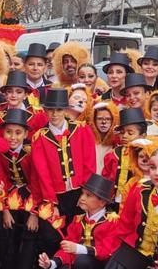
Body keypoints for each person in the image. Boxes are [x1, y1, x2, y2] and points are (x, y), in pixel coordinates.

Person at [29, 174, 117, 269]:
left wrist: (79, 248)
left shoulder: (113, 220)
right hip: (77, 267)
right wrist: (52, 263)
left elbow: (107, 251)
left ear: (102, 202)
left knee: (83, 261)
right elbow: (67, 249)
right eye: (82, 193)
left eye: (88, 195)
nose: (82, 197)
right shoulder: (78, 220)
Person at [0, 108, 41, 269]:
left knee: (30, 228)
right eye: (8, 132)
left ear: (26, 133)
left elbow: (37, 182)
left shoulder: (32, 151)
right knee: (4, 225)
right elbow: (0, 180)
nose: (13, 137)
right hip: (9, 192)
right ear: (2, 132)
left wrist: (34, 212)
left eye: (18, 132)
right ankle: (7, 266)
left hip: (31, 193)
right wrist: (4, 210)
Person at [30, 88, 97, 218]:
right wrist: (51, 202)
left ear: (66, 110)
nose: (54, 114)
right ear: (45, 111)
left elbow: (89, 164)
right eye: (50, 110)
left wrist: (86, 194)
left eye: (59, 110)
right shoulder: (38, 138)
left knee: (80, 231)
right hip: (56, 195)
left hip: (80, 192)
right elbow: (42, 173)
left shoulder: (82, 129)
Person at [102, 107, 149, 205]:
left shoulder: (146, 155)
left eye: (130, 133)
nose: (124, 136)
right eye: (122, 132)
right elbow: (106, 178)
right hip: (113, 201)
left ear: (143, 136)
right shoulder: (112, 154)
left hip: (136, 201)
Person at [90, 101, 119, 174]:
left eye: (108, 119)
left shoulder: (117, 142)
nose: (104, 122)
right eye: (99, 119)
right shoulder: (88, 139)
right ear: (94, 120)